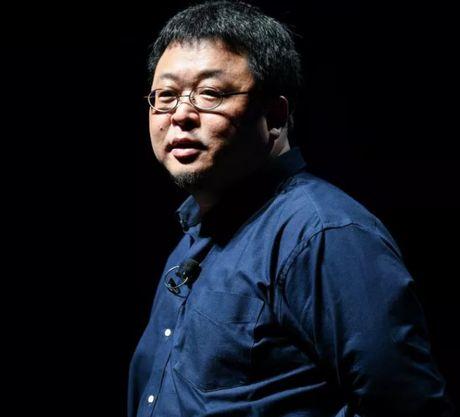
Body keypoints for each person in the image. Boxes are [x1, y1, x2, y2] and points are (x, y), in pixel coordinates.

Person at [128, 1, 454, 416]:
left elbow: (408, 405)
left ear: (275, 116)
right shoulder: (194, 238)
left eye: (210, 93)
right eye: (166, 96)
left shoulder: (323, 235)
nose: (182, 115)